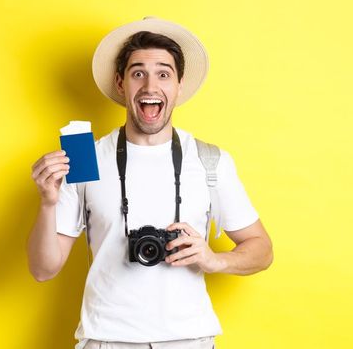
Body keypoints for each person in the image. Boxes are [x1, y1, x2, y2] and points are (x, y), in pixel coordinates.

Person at [27, 17, 273, 349]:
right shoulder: (86, 159)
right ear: (120, 83)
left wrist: (213, 259)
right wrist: (47, 203)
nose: (150, 86)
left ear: (179, 85)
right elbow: (43, 269)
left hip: (189, 341)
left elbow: (262, 249)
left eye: (163, 74)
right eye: (138, 73)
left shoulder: (209, 161)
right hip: (106, 340)